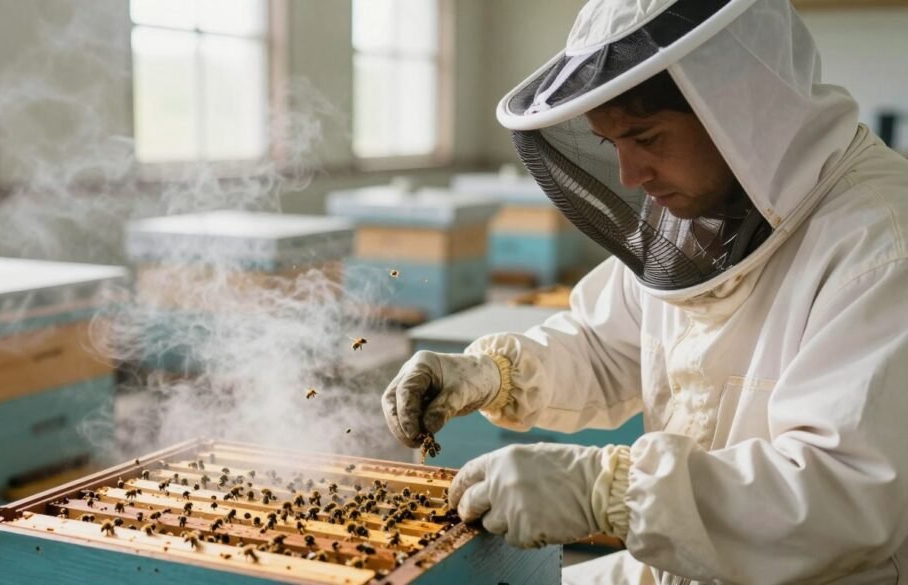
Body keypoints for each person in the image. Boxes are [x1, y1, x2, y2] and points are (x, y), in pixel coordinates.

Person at [381, 0, 908, 582]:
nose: (631, 176)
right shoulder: (703, 211)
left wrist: (606, 492)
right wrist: (492, 374)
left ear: (738, 108)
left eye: (648, 138)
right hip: (679, 566)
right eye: (613, 145)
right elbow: (606, 344)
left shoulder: (881, 245)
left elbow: (842, 495)